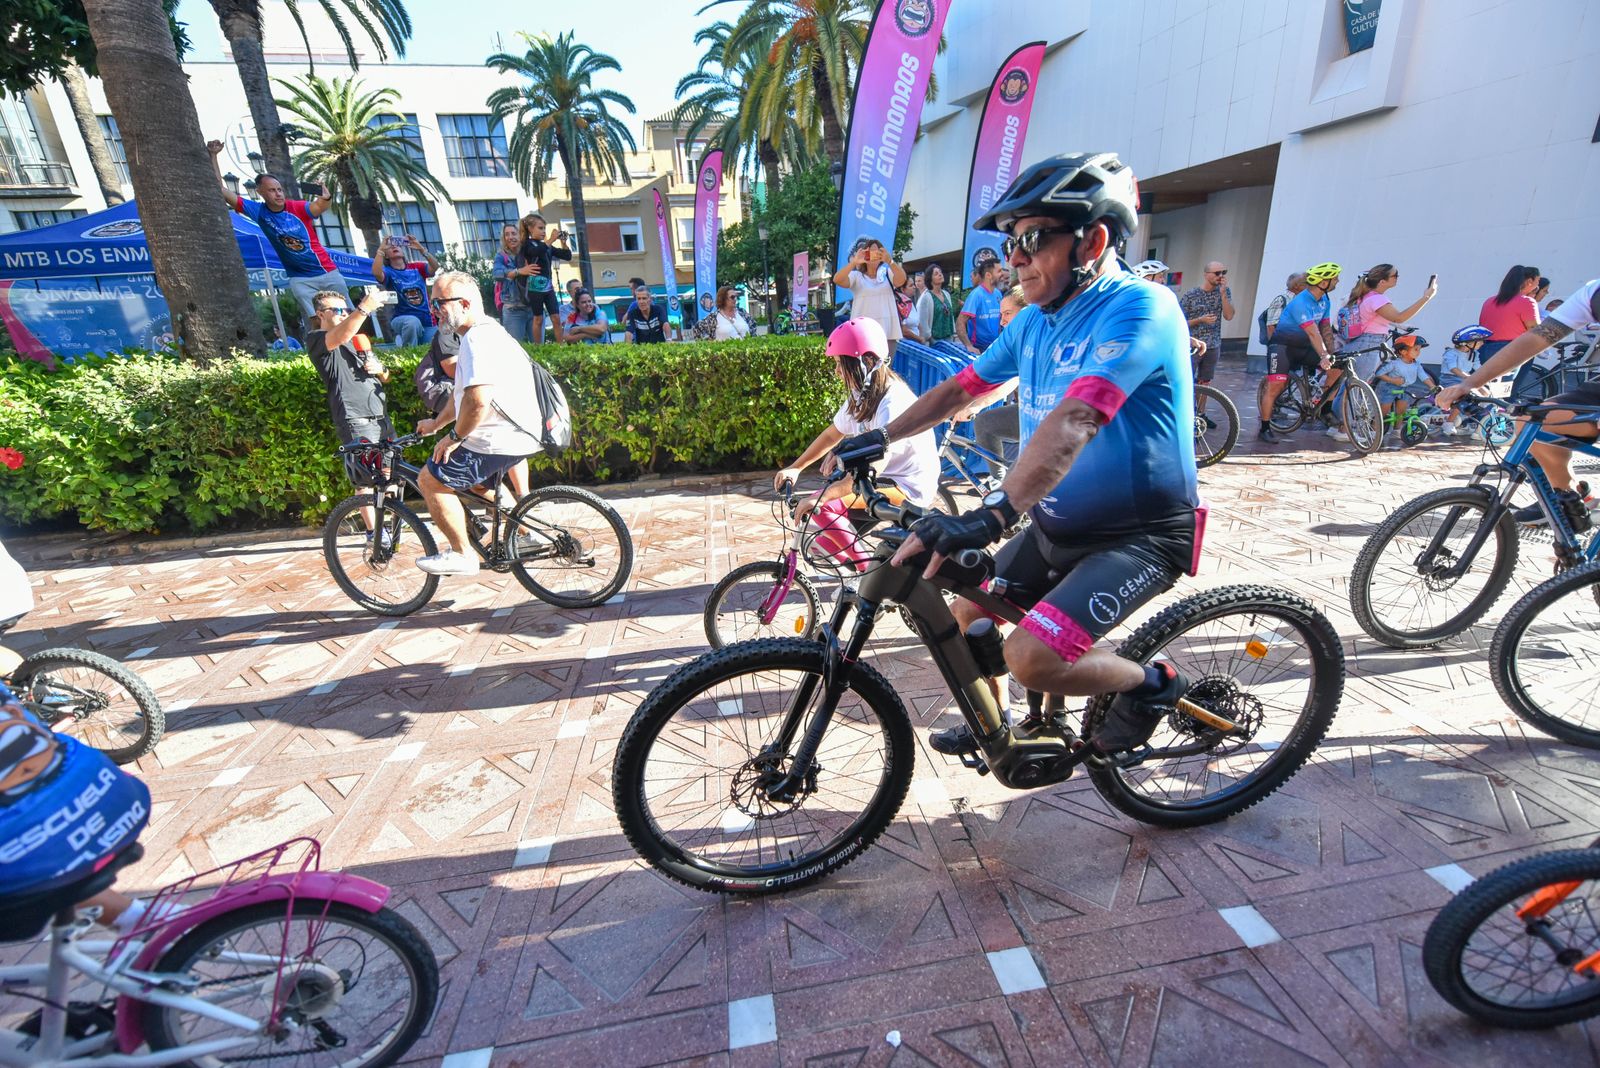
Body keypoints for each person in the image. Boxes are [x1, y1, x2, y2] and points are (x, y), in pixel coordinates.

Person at [831, 151, 1205, 761]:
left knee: (1029, 656)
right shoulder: (1033, 322)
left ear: (1093, 242)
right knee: (966, 614)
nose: (1014, 260)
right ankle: (1003, 727)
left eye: (1030, 239)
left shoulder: (1141, 309)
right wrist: (877, 437)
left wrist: (993, 514)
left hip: (1136, 536)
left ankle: (1155, 683)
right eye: (1010, 243)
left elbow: (1077, 417)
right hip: (1058, 523)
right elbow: (960, 390)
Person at [773, 317, 939, 571]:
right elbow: (832, 434)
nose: (837, 372)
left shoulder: (892, 401)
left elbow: (876, 467)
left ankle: (866, 577)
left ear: (866, 362)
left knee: (822, 505)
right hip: (884, 479)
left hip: (909, 486)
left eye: (842, 364)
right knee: (819, 533)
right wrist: (796, 467)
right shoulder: (863, 394)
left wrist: (826, 495)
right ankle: (867, 570)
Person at [1439, 277, 1600, 527]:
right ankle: (1568, 497)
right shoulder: (1593, 293)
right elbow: (1537, 338)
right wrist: (1468, 383)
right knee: (1530, 423)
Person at [412, 272, 543, 575]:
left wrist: (453, 437)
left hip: (498, 436)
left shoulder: (477, 339)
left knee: (430, 480)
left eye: (439, 303)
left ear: (464, 303)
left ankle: (462, 554)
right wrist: (435, 424)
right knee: (479, 485)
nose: (435, 310)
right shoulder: (489, 331)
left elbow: (477, 400)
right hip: (516, 433)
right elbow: (461, 399)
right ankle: (526, 535)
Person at [206, 140, 343, 319]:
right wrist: (213, 156)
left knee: (345, 317)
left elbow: (320, 207)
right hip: (300, 279)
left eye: (279, 189)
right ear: (260, 192)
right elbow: (220, 189)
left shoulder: (298, 208)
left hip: (327, 272)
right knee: (318, 321)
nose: (278, 193)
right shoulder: (258, 212)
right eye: (272, 190)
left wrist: (327, 197)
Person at [1259, 262, 1342, 443]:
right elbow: (1313, 332)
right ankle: (1265, 427)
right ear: (1322, 282)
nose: (1337, 281)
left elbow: (1325, 328)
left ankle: (1325, 408)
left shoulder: (1324, 299)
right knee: (1276, 387)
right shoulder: (1301, 302)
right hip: (1283, 347)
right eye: (1334, 278)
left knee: (1337, 369)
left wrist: (1332, 353)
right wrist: (1323, 355)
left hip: (1304, 347)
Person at [968, 286, 1028, 483]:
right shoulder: (1014, 339)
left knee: (1014, 490)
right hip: (1029, 412)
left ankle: (1008, 495)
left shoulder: (1035, 335)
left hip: (1050, 421)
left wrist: (975, 404)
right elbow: (990, 374)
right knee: (984, 423)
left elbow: (1011, 381)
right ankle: (997, 480)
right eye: (1001, 314)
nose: (1002, 321)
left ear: (1027, 311)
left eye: (1008, 314)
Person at [833, 238, 907, 355]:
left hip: (887, 332)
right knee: (864, 371)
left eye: (877, 252)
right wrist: (854, 262)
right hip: (863, 333)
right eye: (869, 251)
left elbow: (901, 280)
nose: (873, 255)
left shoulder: (888, 273)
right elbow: (837, 279)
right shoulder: (856, 276)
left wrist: (890, 261)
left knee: (884, 370)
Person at [370, 234, 440, 347]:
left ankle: (404, 340)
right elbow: (377, 273)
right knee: (412, 322)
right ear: (386, 256)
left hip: (428, 321)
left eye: (397, 246)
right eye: (390, 247)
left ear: (403, 252)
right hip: (401, 319)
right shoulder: (388, 272)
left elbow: (435, 267)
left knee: (435, 347)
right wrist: (381, 250)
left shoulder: (417, 267)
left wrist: (421, 249)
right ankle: (408, 351)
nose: (394, 247)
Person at [516, 213, 573, 344]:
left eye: (544, 228)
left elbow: (567, 256)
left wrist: (563, 243)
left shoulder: (548, 246)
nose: (543, 231)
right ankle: (539, 347)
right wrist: (551, 239)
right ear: (530, 229)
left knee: (556, 318)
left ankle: (560, 346)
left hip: (548, 287)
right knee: (538, 319)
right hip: (534, 286)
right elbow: (535, 252)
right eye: (540, 228)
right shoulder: (527, 244)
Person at [1179, 261, 1234, 393]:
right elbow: (1179, 322)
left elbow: (1229, 315)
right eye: (1217, 273)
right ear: (1206, 275)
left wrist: (1223, 294)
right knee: (1186, 380)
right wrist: (1200, 320)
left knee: (1205, 383)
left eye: (1223, 272)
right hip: (1193, 345)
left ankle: (1200, 413)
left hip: (1213, 345)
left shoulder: (1224, 292)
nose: (1220, 276)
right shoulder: (1191, 295)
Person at [1372, 335, 1436, 443]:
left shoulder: (1416, 364)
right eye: (1415, 349)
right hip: (1390, 388)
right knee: (1384, 409)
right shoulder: (1395, 363)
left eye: (1419, 350)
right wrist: (1393, 380)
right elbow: (1379, 374)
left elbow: (1423, 376)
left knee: (1401, 410)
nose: (1418, 352)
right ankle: (1373, 429)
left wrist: (1432, 386)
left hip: (1406, 388)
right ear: (1403, 351)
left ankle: (1397, 430)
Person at [1479, 265, 1542, 366]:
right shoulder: (1527, 302)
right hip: (1513, 350)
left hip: (1484, 348)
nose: (1538, 284)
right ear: (1530, 281)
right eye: (1538, 280)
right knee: (1512, 381)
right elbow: (1536, 330)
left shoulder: (1489, 301)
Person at [1438, 324, 1492, 435]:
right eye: (1481, 341)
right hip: (1450, 379)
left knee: (1486, 393)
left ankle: (1467, 418)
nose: (1483, 343)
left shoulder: (1474, 353)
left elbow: (1478, 368)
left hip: (1465, 379)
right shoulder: (1451, 353)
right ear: (1470, 343)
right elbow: (1453, 369)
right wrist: (1468, 377)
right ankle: (1448, 423)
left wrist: (1489, 376)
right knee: (1465, 396)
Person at [492, 224, 532, 343]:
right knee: (515, 349)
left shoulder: (530, 253)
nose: (510, 237)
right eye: (507, 234)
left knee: (539, 348)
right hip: (513, 309)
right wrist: (518, 272)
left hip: (534, 307)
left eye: (513, 233)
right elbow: (496, 274)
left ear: (521, 235)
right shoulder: (501, 256)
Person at [957, 258, 1004, 355]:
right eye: (999, 271)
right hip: (979, 350)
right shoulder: (976, 295)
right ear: (988, 275)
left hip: (994, 349)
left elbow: (1000, 321)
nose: (1002, 274)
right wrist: (969, 346)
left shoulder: (998, 294)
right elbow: (960, 322)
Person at [916, 263, 958, 344]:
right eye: (936, 274)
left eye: (940, 272)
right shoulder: (926, 297)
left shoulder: (946, 294)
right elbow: (922, 322)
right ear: (930, 279)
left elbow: (950, 316)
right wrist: (931, 339)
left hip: (949, 338)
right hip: (935, 341)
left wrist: (954, 334)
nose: (940, 274)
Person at [1261, 272, 1308, 339]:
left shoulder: (1301, 300)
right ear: (1296, 286)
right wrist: (1274, 345)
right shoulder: (1281, 300)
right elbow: (1271, 326)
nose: (1308, 287)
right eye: (1305, 284)